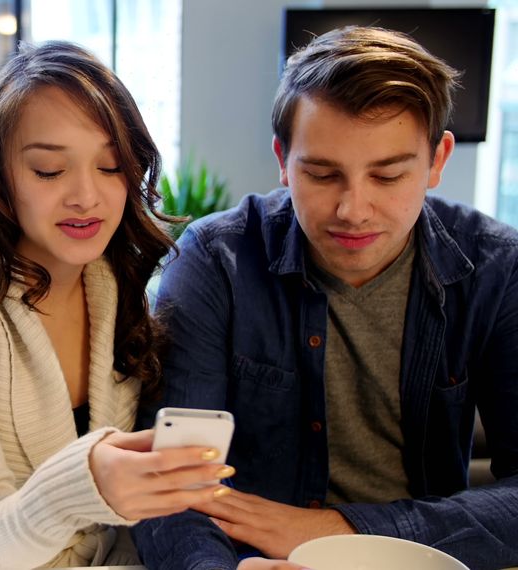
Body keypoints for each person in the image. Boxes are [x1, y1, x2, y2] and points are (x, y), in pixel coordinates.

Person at [132, 26, 518, 570]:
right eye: (321, 173)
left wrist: (339, 531)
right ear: (283, 161)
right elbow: (169, 486)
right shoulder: (216, 262)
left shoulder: (497, 268)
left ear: (437, 161)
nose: (353, 210)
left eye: (388, 176)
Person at [0, 41, 234, 568]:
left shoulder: (117, 284)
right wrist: (89, 482)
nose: (86, 195)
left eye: (110, 167)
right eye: (48, 171)